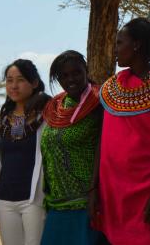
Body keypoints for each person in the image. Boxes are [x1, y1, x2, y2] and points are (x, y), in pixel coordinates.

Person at [96, 18, 150, 245]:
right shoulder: (110, 88)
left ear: (136, 45)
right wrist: (94, 189)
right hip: (115, 192)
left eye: (119, 43)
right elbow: (102, 143)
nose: (115, 49)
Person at [0, 59, 50, 245]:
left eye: (20, 80)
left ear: (34, 83)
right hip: (5, 199)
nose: (14, 86)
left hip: (33, 198)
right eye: (9, 80)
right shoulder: (2, 120)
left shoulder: (47, 116)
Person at [39, 50, 103, 245]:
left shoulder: (99, 104)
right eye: (64, 76)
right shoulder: (55, 107)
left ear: (86, 70)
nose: (71, 79)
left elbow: (105, 150)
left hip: (87, 203)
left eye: (76, 72)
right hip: (56, 203)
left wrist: (94, 190)